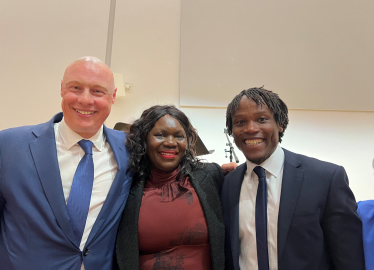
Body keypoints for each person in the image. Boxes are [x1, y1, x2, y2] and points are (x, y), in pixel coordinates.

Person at [0, 56, 132, 269]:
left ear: (113, 96)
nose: (85, 100)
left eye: (97, 91)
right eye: (76, 87)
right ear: (62, 89)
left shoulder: (129, 148)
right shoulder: (9, 145)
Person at [221, 87, 365, 270]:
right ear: (232, 131)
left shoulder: (326, 179)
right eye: (240, 122)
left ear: (279, 124)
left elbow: (349, 258)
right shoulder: (227, 185)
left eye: (262, 119)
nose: (250, 128)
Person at [116, 105, 225, 270]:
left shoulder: (210, 176)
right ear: (144, 139)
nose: (170, 143)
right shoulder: (127, 185)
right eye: (160, 135)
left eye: (179, 136)